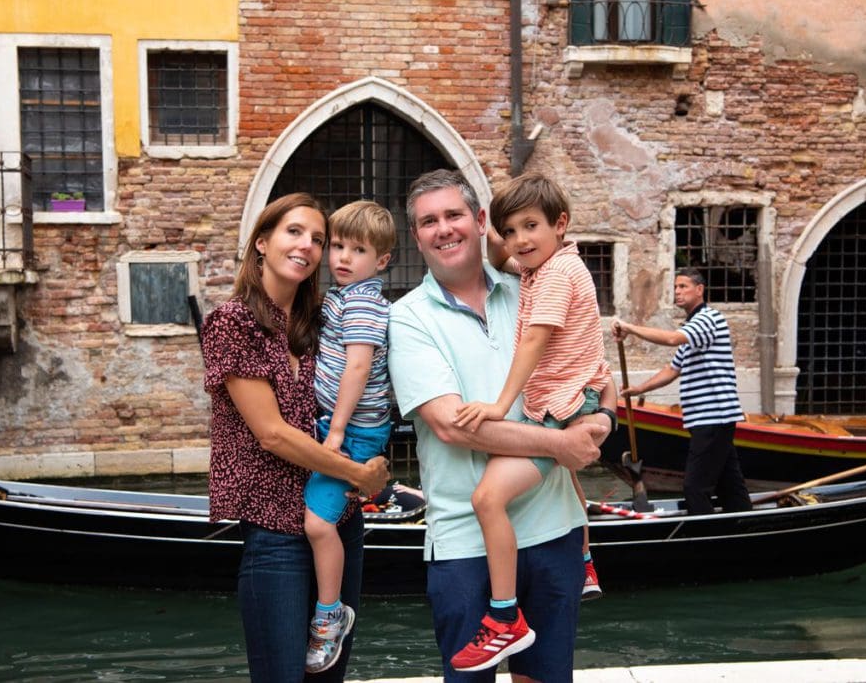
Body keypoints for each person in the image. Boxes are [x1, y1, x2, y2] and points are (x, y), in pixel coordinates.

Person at [387, 169, 616, 681]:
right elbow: (454, 427)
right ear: (416, 235)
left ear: (479, 221)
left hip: (554, 528)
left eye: (453, 215)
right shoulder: (407, 318)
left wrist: (605, 415)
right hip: (465, 544)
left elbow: (586, 356)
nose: (443, 229)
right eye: (429, 221)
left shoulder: (533, 283)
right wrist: (563, 444)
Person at [200, 192, 389, 682]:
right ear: (261, 242)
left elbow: (363, 381)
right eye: (294, 232)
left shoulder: (320, 320)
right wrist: (361, 474)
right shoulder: (232, 322)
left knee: (327, 678)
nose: (307, 245)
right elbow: (273, 435)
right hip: (276, 530)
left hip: (337, 519)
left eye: (318, 238)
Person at [451, 172, 615, 659]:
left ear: (560, 224)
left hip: (560, 407)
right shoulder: (554, 261)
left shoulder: (554, 277)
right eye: (510, 231)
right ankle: (584, 559)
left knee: (487, 498)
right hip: (579, 396)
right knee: (570, 475)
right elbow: (503, 253)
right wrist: (502, 236)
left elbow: (535, 341)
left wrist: (500, 407)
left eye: (531, 227)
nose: (519, 242)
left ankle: (504, 616)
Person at [304, 200, 396, 673]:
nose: (342, 257)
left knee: (318, 525)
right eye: (337, 245)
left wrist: (335, 431)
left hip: (355, 430)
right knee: (322, 519)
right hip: (337, 424)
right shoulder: (341, 295)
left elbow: (358, 366)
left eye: (357, 250)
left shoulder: (362, 300)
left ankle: (329, 615)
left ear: (380, 261)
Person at [612, 267, 752, 516]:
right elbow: (673, 369)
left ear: (700, 290)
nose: (677, 292)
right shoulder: (692, 328)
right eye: (675, 287)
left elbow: (671, 340)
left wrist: (631, 328)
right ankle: (744, 525)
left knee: (694, 489)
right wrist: (638, 389)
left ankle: (706, 541)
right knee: (730, 487)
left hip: (714, 417)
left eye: (683, 286)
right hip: (708, 419)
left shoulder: (707, 319)